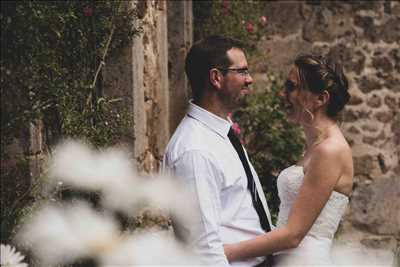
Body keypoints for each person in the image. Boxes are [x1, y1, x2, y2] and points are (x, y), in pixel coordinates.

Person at [224, 54, 353, 265]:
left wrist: (224, 252)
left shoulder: (331, 151)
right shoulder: (315, 148)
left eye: (292, 86)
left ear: (321, 99)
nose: (283, 94)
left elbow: (293, 235)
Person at [162, 35, 274, 267]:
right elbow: (204, 249)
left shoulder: (220, 133)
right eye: (242, 71)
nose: (250, 79)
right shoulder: (195, 150)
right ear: (216, 77)